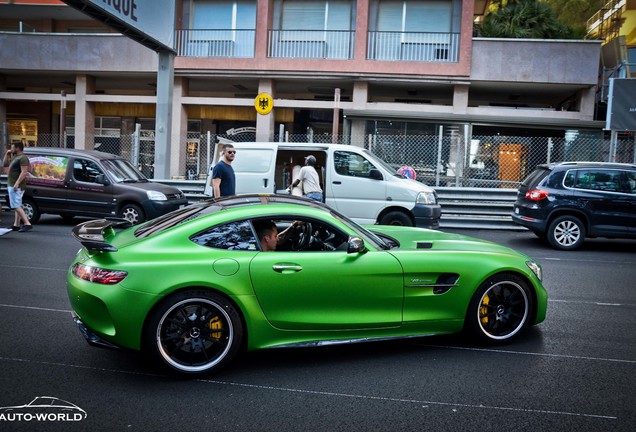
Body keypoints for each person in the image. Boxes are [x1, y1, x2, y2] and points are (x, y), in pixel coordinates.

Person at [2, 141, 33, 232]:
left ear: (17, 148)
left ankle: (27, 223)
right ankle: (16, 224)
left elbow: (24, 172)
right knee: (18, 204)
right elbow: (5, 164)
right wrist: (7, 154)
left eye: (12, 147)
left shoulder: (23, 158)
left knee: (15, 205)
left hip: (16, 185)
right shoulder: (15, 157)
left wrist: (17, 183)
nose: (11, 149)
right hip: (12, 183)